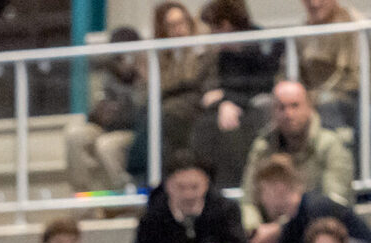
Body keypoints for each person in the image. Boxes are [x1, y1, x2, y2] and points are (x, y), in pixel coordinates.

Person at [189, 0, 283, 188]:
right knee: (204, 124)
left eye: (213, 29)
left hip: (256, 103)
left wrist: (228, 99)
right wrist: (224, 100)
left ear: (225, 26)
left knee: (231, 129)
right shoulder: (225, 55)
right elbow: (225, 86)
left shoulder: (263, 44)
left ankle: (234, 184)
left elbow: (263, 84)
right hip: (234, 103)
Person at [239, 81, 353, 234]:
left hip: (318, 233)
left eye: (295, 106)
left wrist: (281, 229)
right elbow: (248, 200)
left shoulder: (331, 145)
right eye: (281, 107)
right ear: (273, 112)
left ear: (309, 107)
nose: (288, 114)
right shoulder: (262, 148)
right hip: (266, 234)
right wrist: (254, 230)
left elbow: (333, 204)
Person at [126, 2, 207, 185]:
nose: (179, 30)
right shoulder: (156, 56)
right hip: (156, 110)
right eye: (172, 26)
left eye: (182, 22)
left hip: (187, 110)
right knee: (149, 115)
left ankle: (145, 176)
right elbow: (145, 93)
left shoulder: (200, 51)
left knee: (160, 116)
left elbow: (190, 84)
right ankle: (140, 178)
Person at [66, 26, 144, 193]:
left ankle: (122, 196)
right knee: (75, 136)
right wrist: (99, 113)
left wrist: (138, 73)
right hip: (106, 126)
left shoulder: (145, 73)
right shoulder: (106, 73)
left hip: (133, 130)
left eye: (127, 54)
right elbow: (93, 111)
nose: (123, 60)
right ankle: (83, 196)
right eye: (118, 55)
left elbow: (144, 110)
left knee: (106, 145)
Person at [297, 0, 371, 132]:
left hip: (354, 100)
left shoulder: (355, 25)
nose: (314, 4)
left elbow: (369, 79)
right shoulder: (300, 35)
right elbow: (287, 76)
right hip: (313, 103)